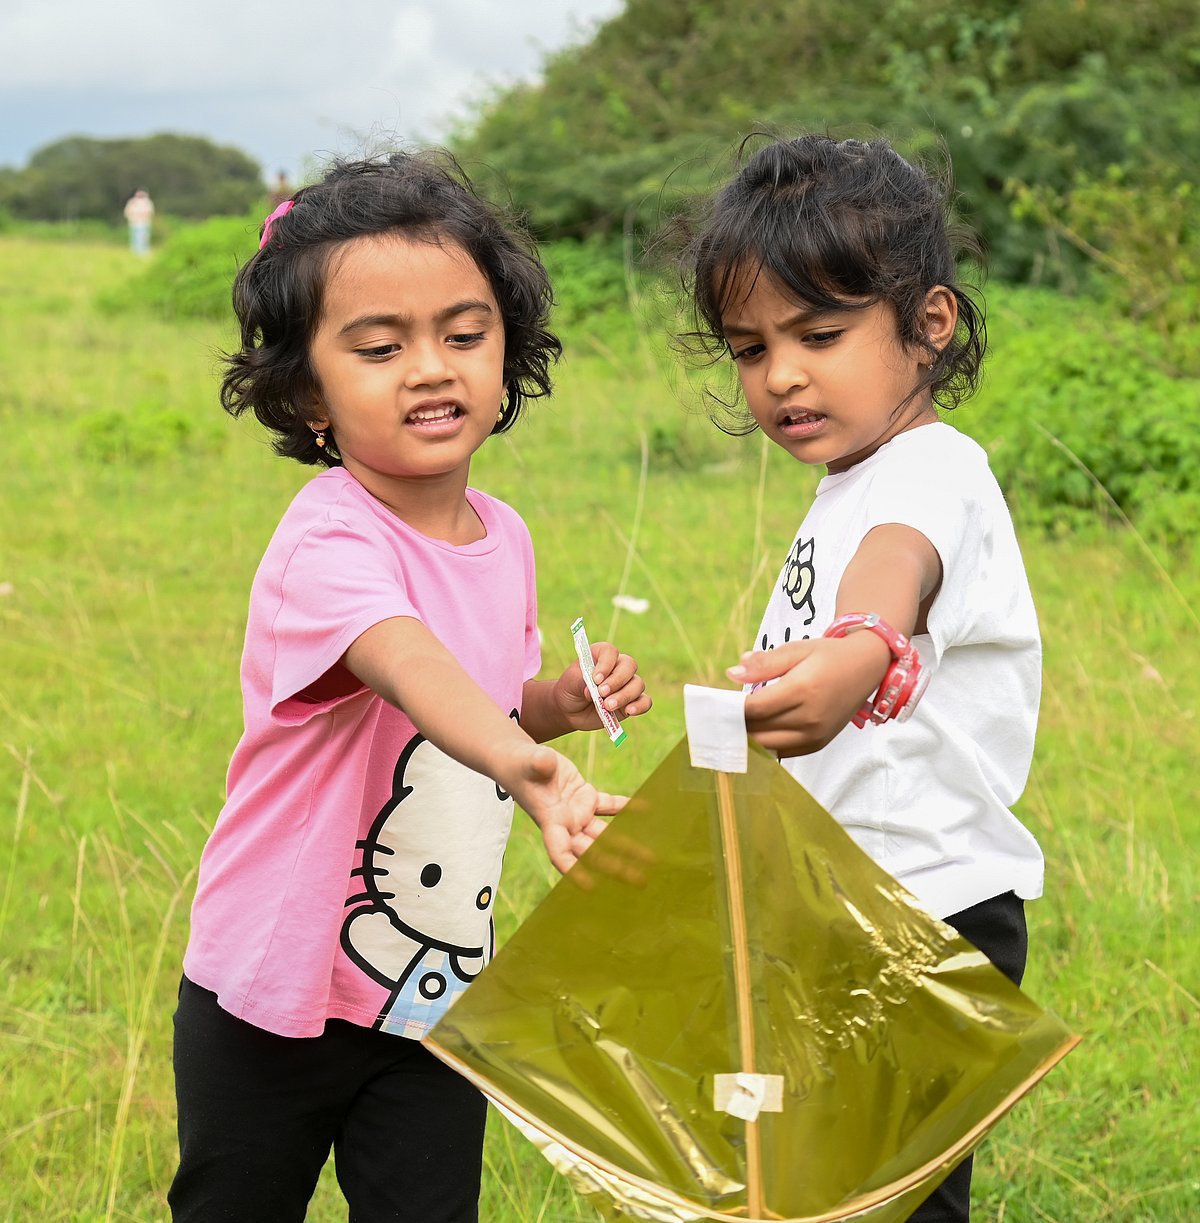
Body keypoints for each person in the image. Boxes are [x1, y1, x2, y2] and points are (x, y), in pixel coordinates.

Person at [169, 151, 651, 1223]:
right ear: (310, 393)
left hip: (431, 992)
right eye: (380, 347)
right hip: (271, 993)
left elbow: (472, 703)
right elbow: (409, 662)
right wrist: (531, 765)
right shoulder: (327, 538)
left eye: (463, 334)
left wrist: (554, 702)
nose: (430, 367)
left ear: (507, 350)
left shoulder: (505, 533)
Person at [679, 134, 1042, 1222]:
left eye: (820, 334)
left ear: (930, 323)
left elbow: (898, 562)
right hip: (835, 909)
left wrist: (859, 647)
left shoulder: (934, 471)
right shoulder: (851, 476)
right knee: (810, 1182)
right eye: (750, 348)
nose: (781, 374)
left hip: (922, 915)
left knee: (886, 1197)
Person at [123, 188, 154, 254]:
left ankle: (144, 251)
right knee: (134, 238)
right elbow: (127, 212)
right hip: (134, 223)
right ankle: (135, 251)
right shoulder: (132, 202)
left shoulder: (147, 202)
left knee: (144, 238)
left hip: (144, 223)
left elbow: (150, 213)